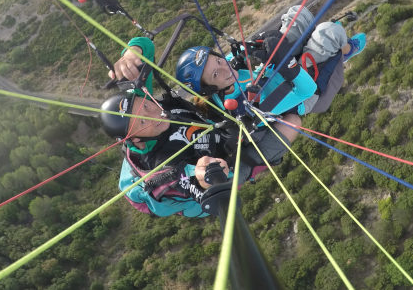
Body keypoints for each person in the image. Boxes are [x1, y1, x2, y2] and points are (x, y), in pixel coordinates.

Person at [100, 90, 301, 217]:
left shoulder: (162, 108)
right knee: (292, 122)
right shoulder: (161, 163)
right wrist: (204, 174)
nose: (154, 114)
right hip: (227, 166)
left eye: (146, 105)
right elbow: (187, 178)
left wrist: (136, 50)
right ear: (135, 139)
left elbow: (145, 53)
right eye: (142, 122)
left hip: (221, 132)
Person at [176, 5, 366, 116]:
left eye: (217, 61)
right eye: (216, 74)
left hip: (279, 65)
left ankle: (316, 44)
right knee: (328, 32)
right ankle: (346, 50)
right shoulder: (245, 107)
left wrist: (259, 42)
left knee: (297, 13)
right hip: (298, 91)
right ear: (210, 89)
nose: (224, 67)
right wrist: (286, 61)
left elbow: (245, 48)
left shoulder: (229, 64)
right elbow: (304, 90)